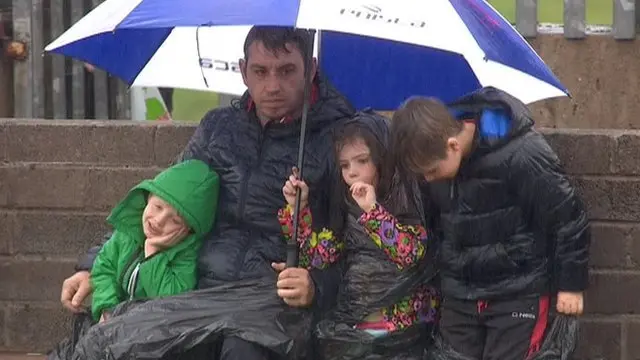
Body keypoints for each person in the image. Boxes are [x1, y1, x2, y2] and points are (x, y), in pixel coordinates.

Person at [59, 26, 386, 359]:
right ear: (243, 71)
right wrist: (90, 266)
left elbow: (365, 243)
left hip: (274, 298)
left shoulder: (342, 139)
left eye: (287, 71)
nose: (272, 85)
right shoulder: (219, 128)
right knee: (133, 343)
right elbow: (163, 203)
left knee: (241, 350)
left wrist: (318, 285)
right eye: (260, 71)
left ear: (312, 69)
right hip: (197, 284)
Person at [389, 87, 591, 360]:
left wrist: (571, 285)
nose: (427, 179)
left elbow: (568, 216)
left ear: (453, 145)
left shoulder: (521, 152)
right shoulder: (438, 163)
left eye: (432, 170)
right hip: (460, 295)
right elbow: (435, 228)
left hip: (517, 292)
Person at [278, 115, 439, 359]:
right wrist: (298, 209)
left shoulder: (405, 194)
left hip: (404, 320)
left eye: (362, 161)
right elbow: (319, 257)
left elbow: (411, 254)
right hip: (356, 316)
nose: (352, 172)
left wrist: (373, 211)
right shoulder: (344, 203)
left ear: (381, 159)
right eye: (344, 165)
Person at [91, 159, 220, 322]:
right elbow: (104, 268)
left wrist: (152, 253)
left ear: (188, 231)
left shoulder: (186, 257)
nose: (159, 221)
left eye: (175, 221)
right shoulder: (127, 233)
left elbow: (169, 303)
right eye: (157, 207)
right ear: (148, 197)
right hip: (115, 324)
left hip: (150, 331)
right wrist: (106, 308)